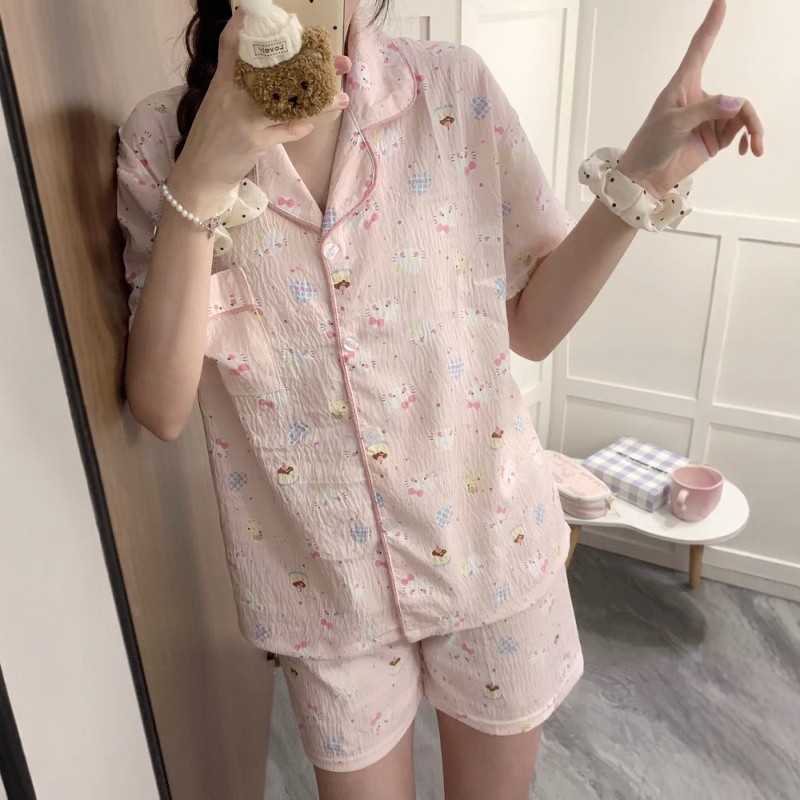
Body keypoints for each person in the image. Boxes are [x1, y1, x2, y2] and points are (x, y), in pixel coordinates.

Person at [116, 0, 763, 797]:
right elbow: (161, 405)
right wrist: (203, 177)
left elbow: (533, 325)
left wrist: (644, 174)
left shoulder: (451, 90)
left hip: (493, 548)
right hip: (324, 589)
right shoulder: (160, 140)